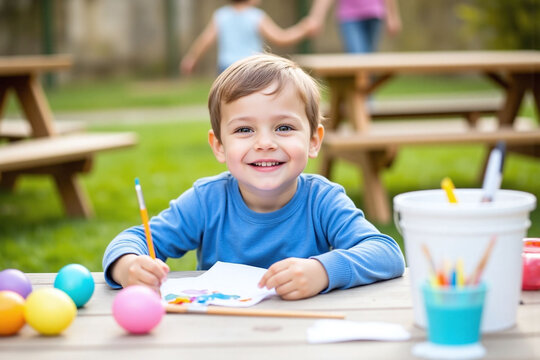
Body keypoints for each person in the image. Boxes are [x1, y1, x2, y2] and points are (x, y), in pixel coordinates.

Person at [103, 54, 405, 300]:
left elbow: (387, 253)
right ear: (219, 146)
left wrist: (322, 271)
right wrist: (129, 266)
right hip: (220, 335)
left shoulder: (322, 200)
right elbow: (133, 240)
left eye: (284, 128)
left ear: (314, 140)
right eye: (244, 130)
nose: (265, 143)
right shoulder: (207, 200)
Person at [180, 0, 315, 74]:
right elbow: (281, 38)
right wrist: (303, 29)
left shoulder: (221, 15)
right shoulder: (256, 16)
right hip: (251, 68)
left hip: (227, 68)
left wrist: (191, 58)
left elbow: (205, 40)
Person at [308, 0, 402, 53]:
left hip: (374, 14)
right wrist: (316, 17)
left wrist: (392, 16)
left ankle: (368, 86)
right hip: (349, 16)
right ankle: (360, 87)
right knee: (357, 55)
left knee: (370, 58)